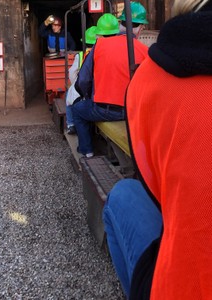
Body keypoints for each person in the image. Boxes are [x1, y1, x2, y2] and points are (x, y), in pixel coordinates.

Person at [103, 0, 212, 299]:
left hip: (182, 287)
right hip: (120, 110)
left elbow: (82, 84)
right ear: (137, 27)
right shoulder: (140, 51)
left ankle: (84, 146)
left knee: (124, 193)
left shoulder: (149, 71)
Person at [72, 9, 148, 157]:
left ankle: (86, 151)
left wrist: (87, 96)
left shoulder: (99, 46)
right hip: (133, 111)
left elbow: (83, 80)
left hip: (104, 110)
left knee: (77, 110)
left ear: (120, 24)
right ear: (140, 29)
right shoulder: (145, 50)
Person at [65, 26, 98, 135]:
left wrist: (75, 85)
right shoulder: (102, 53)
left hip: (83, 87)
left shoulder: (80, 55)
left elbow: (72, 73)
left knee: (68, 95)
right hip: (98, 87)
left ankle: (71, 124)